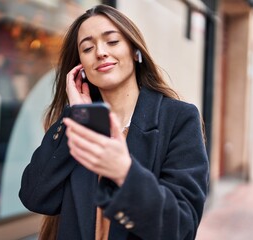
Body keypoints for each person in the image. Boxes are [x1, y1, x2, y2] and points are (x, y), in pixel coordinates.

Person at [19, 4, 209, 240]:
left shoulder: (178, 119)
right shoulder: (78, 123)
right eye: (87, 48)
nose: (100, 52)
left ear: (135, 51)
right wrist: (78, 115)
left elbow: (182, 227)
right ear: (81, 67)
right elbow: (34, 196)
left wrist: (124, 173)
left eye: (112, 41)